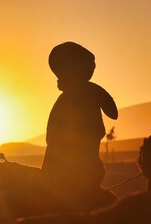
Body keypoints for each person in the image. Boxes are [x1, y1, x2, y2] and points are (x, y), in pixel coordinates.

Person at [41, 42, 118, 210]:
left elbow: (111, 113)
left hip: (80, 172)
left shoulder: (82, 94)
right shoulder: (80, 96)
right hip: (72, 176)